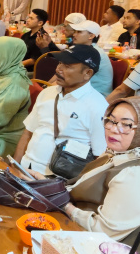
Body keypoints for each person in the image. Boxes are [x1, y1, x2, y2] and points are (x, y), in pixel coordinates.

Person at [26, 98, 140, 253]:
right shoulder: (118, 154)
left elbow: (103, 233)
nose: (113, 129)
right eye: (111, 121)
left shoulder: (139, 176)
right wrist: (48, 185)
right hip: (74, 230)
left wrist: (62, 203)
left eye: (126, 125)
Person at [14, 45, 108, 175]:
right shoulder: (47, 93)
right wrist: (15, 167)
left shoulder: (98, 106)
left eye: (67, 66)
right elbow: (28, 133)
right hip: (27, 167)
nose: (58, 69)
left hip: (59, 178)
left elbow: (101, 156)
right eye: (60, 63)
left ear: (87, 73)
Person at [49, 20, 113, 96]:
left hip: (96, 94)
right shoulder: (81, 49)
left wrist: (47, 88)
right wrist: (46, 85)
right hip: (78, 90)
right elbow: (61, 72)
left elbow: (70, 78)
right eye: (75, 32)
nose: (74, 35)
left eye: (79, 32)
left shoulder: (94, 53)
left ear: (91, 36)